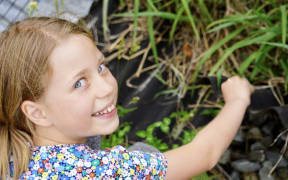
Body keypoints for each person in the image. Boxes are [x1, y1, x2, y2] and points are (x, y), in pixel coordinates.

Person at [0, 17, 254, 180]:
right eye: (79, 83)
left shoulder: (14, 149)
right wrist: (237, 100)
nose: (106, 87)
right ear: (36, 112)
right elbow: (204, 155)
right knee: (144, 153)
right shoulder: (105, 171)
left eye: (100, 67)